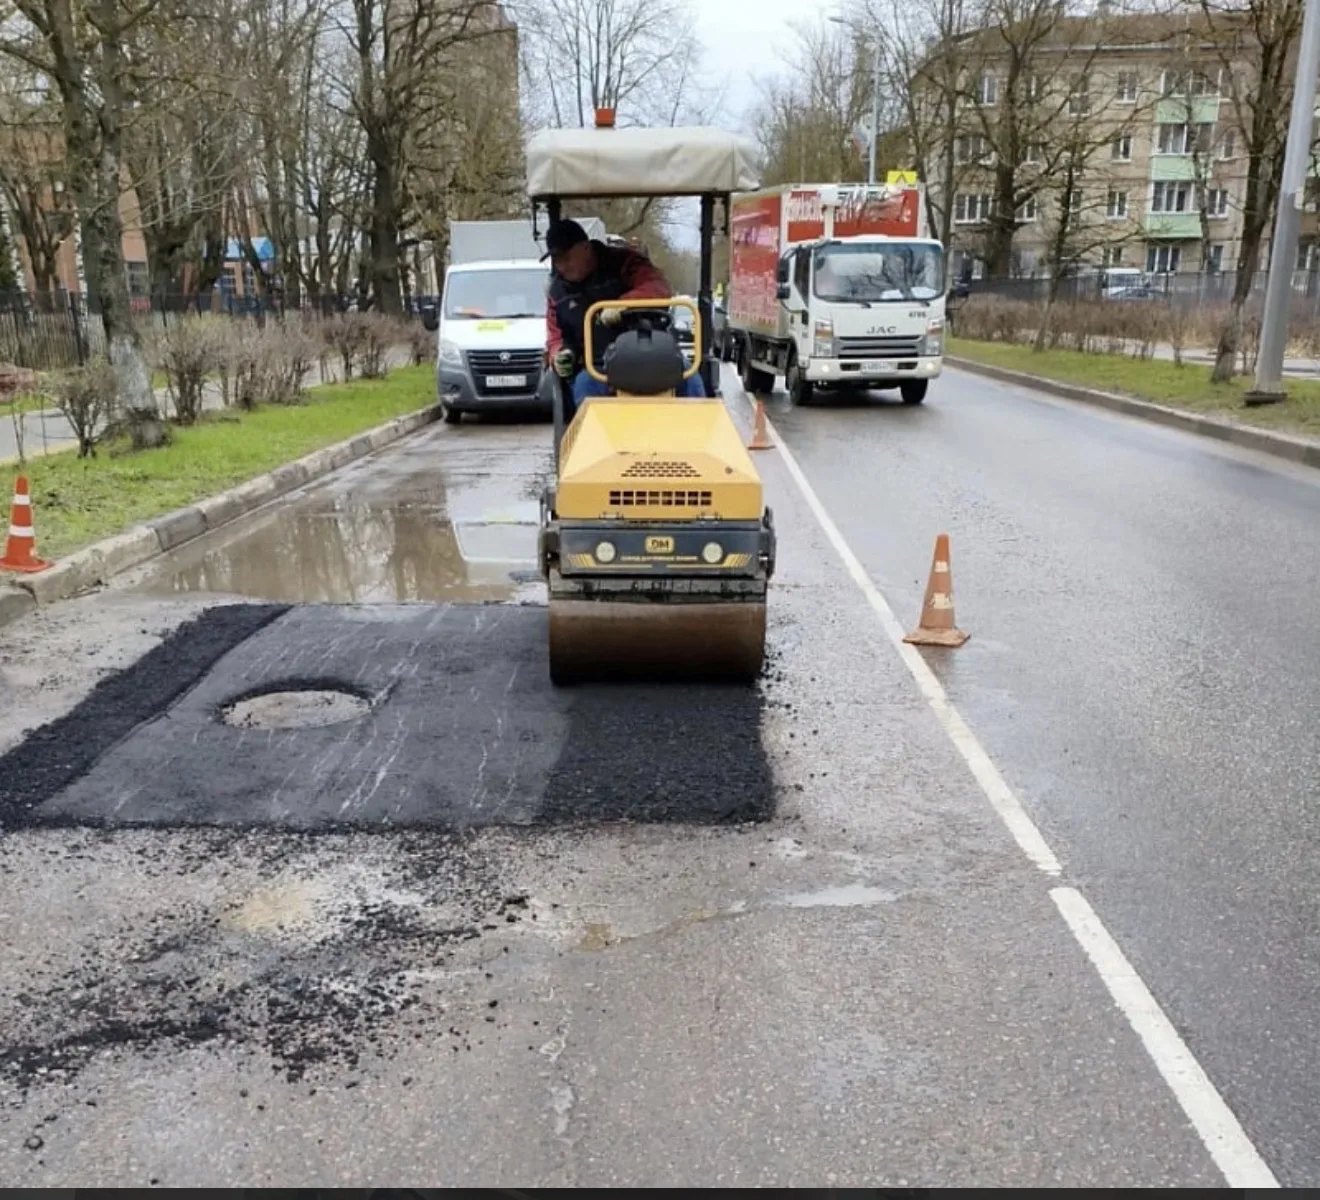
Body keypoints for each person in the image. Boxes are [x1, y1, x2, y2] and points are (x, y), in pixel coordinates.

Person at [543, 218, 705, 421]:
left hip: (652, 353)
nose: (562, 267)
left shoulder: (623, 262)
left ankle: (698, 431)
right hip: (600, 367)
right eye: (556, 261)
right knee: (584, 385)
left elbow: (658, 287)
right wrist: (559, 354)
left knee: (690, 377)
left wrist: (624, 304)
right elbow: (555, 336)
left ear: (585, 248)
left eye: (567, 258)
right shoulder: (557, 293)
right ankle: (593, 438)